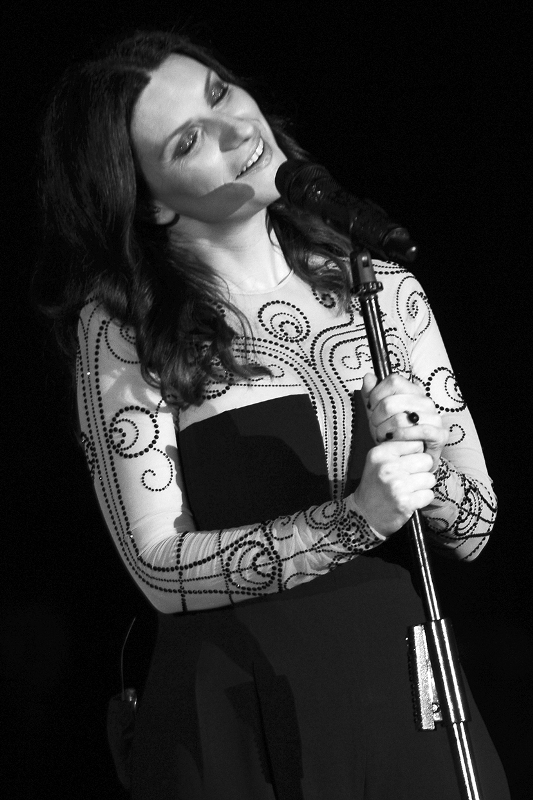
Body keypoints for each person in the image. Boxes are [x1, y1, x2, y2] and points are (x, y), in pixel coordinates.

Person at [36, 29, 509, 800]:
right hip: (239, 711)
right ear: (149, 201)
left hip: (406, 699)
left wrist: (425, 466)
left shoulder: (380, 287)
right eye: (189, 140)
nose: (235, 131)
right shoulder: (126, 327)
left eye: (220, 94)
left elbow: (477, 525)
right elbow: (157, 566)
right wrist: (356, 518)